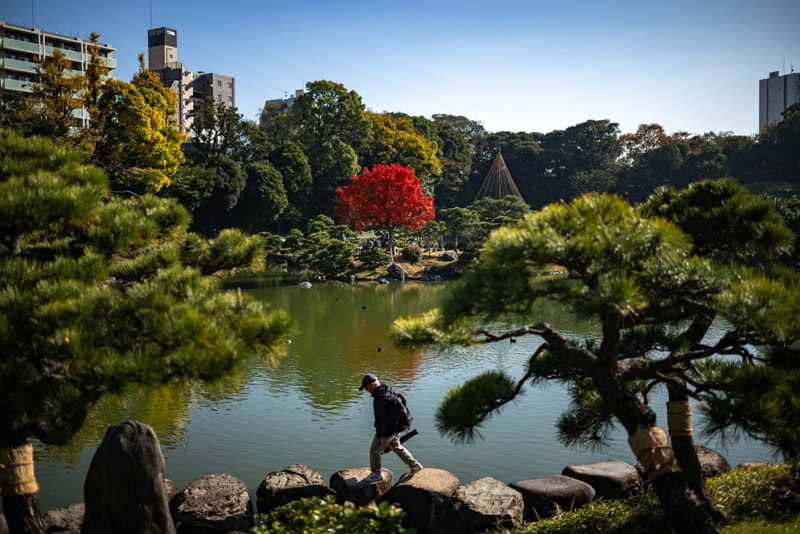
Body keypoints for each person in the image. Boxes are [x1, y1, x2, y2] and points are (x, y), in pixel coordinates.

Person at [359, 373, 422, 482]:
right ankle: (415, 465)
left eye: (366, 387)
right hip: (397, 428)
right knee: (397, 446)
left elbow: (380, 419)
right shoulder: (387, 389)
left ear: (373, 384)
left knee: (374, 450)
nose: (366, 390)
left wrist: (379, 436)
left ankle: (376, 474)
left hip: (387, 431)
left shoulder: (380, 399)